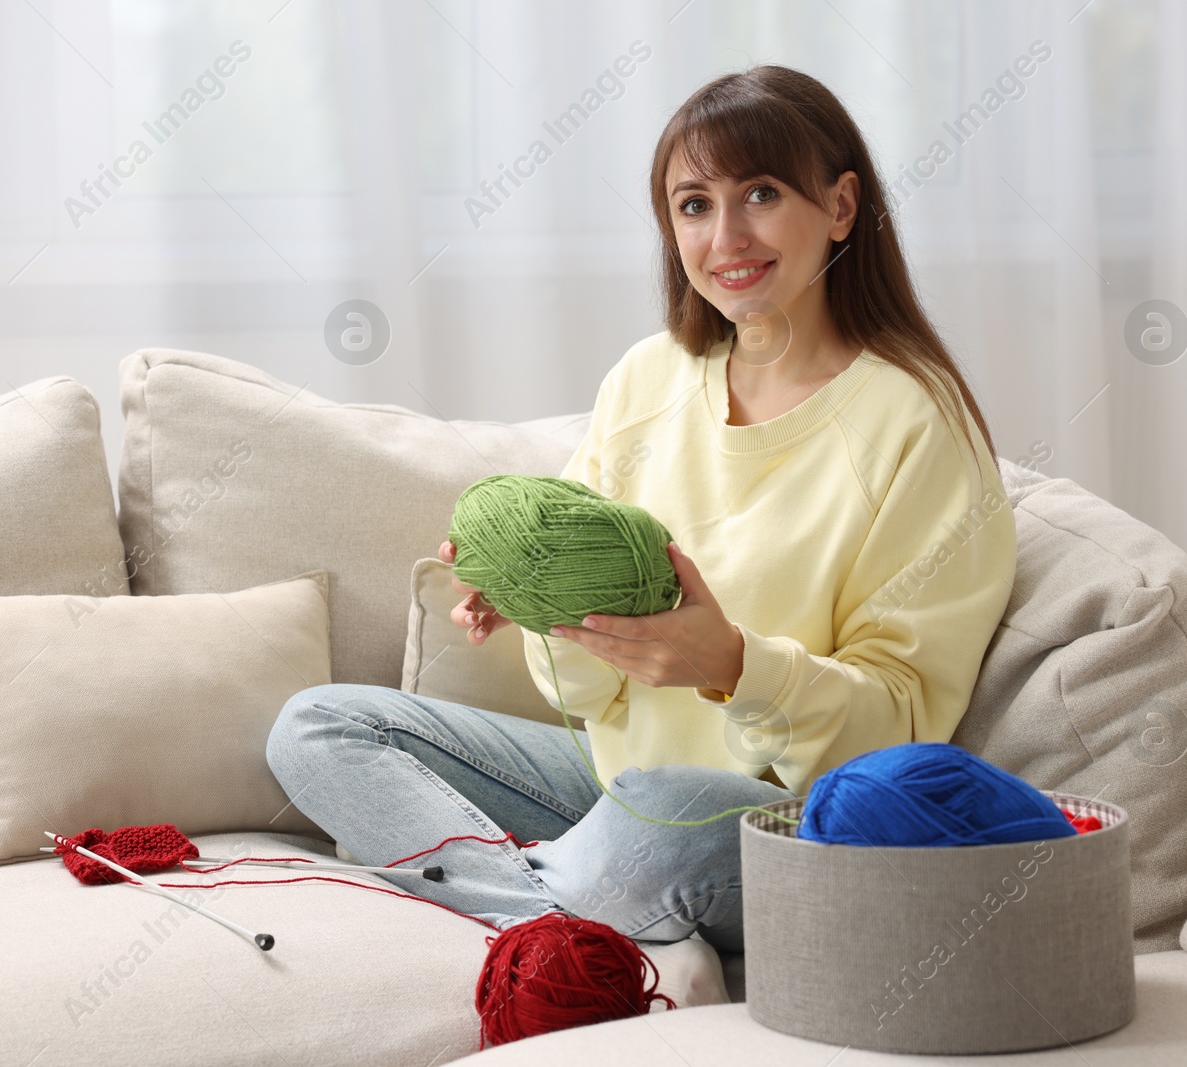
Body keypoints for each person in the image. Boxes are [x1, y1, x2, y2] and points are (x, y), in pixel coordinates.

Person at [266, 65, 1017, 950]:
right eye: (693, 204)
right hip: (611, 778)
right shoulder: (648, 378)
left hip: (781, 815)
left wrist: (736, 664)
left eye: (762, 194)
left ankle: (540, 902)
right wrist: (551, 611)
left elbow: (901, 727)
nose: (726, 235)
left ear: (842, 206)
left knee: (665, 811)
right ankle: (575, 922)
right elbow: (591, 702)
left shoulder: (914, 424)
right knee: (319, 724)